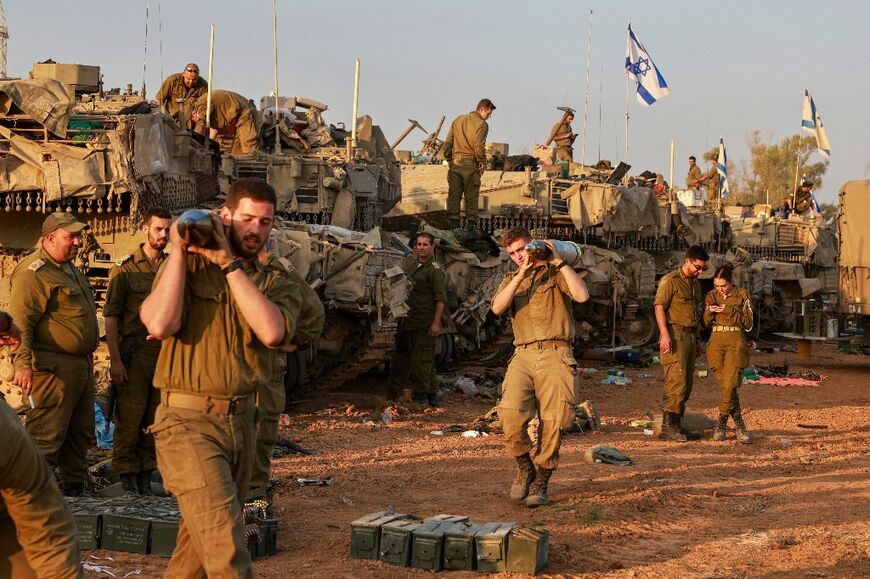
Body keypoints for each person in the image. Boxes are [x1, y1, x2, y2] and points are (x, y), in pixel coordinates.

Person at [140, 178, 304, 576]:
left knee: (196, 555)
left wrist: (229, 265)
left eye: (265, 222)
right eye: (247, 219)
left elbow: (272, 332)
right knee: (227, 547)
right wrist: (181, 250)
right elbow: (159, 324)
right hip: (187, 424)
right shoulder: (188, 267)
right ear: (226, 216)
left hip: (242, 426)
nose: (255, 229)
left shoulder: (275, 280)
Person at [491, 227, 590, 508]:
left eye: (522, 249)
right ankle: (525, 467)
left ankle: (541, 480)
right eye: (512, 253)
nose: (519, 256)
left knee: (554, 419)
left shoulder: (555, 273)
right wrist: (520, 275)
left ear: (531, 245)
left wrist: (558, 261)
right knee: (509, 414)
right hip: (523, 354)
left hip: (556, 352)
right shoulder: (511, 279)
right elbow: (497, 308)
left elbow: (582, 296)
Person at [9, 212, 98, 497]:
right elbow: (21, 323)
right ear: (50, 238)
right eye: (70, 236)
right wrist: (23, 364)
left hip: (79, 367)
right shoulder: (33, 273)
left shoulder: (67, 268)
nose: (78, 242)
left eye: (78, 236)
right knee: (45, 436)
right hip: (52, 371)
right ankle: (28, 498)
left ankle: (74, 490)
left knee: (79, 433)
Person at [102, 207, 172, 495]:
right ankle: (127, 477)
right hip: (135, 353)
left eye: (167, 230)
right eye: (158, 229)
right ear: (145, 229)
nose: (163, 235)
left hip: (164, 354)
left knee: (155, 417)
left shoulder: (172, 266)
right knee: (130, 418)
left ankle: (146, 473)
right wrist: (116, 361)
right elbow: (111, 316)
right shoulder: (126, 268)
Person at [248, 249, 324, 504]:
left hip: (263, 363)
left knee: (257, 432)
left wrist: (294, 340)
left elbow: (314, 312)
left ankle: (253, 500)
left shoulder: (274, 269)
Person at [654, 244, 709, 442]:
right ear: (687, 261)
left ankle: (677, 425)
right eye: (698, 267)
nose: (700, 272)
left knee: (687, 384)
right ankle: (668, 428)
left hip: (690, 335)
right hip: (674, 334)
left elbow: (695, 312)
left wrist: (698, 339)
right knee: (676, 382)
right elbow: (659, 307)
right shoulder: (670, 280)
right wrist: (664, 335)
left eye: (703, 268)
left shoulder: (695, 284)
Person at [388, 232, 447, 406]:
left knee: (420, 360)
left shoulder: (434, 270)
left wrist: (436, 323)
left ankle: (420, 397)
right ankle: (432, 395)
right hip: (409, 320)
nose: (421, 248)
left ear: (432, 247)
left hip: (424, 322)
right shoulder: (413, 266)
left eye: (425, 244)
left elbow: (440, 299)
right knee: (416, 358)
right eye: (419, 244)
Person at [704, 264, 753, 444]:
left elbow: (748, 324)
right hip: (716, 342)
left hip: (735, 340)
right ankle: (739, 424)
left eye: (723, 285)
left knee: (729, 384)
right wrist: (709, 312)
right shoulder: (711, 296)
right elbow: (705, 322)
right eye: (717, 286)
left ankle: (722, 424)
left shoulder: (742, 295)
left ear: (731, 282)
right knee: (727, 386)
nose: (720, 289)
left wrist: (728, 310)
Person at [442, 98, 496, 232]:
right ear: (482, 109)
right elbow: (478, 146)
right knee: (471, 196)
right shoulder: (482, 125)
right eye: (489, 113)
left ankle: (453, 227)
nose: (490, 116)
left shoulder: (458, 120)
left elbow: (447, 144)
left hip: (455, 164)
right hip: (471, 165)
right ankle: (471, 228)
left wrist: (450, 160)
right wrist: (482, 162)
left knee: (454, 196)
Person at [193, 90, 260, 155]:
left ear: (193, 113)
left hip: (247, 112)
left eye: (194, 120)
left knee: (249, 150)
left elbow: (199, 128)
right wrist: (207, 147)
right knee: (236, 154)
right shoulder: (207, 111)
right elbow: (214, 131)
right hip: (240, 117)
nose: (195, 121)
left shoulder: (201, 105)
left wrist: (195, 146)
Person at [154, 63, 208, 130]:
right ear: (183, 74)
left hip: (191, 123)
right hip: (171, 120)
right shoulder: (172, 81)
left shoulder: (203, 86)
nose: (191, 82)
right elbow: (159, 99)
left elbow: (204, 105)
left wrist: (198, 115)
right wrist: (165, 116)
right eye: (188, 79)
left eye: (194, 80)